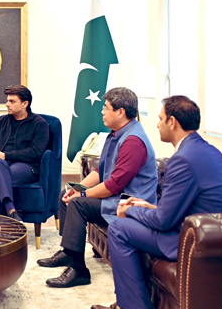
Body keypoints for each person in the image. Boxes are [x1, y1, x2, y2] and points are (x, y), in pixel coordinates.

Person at [91, 96, 222, 309]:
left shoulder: (183, 159)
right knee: (129, 219)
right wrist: (145, 207)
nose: (157, 124)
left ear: (172, 122)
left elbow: (163, 221)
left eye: (160, 118)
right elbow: (178, 209)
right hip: (214, 235)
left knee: (118, 227)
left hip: (197, 242)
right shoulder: (206, 150)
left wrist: (130, 210)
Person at [38, 87, 158, 288]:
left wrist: (82, 194)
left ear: (120, 112)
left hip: (129, 204)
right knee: (65, 195)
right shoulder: (115, 135)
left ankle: (79, 270)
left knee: (77, 204)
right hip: (115, 198)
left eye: (106, 108)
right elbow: (100, 172)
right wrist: (75, 187)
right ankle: (69, 252)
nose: (102, 112)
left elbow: (114, 185)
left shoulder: (133, 141)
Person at [0, 85, 49, 221]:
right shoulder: (0, 121)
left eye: (12, 101)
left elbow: (36, 152)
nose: (7, 104)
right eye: (7, 100)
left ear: (25, 104)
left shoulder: (39, 124)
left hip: (26, 167)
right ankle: (11, 210)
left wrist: (6, 155)